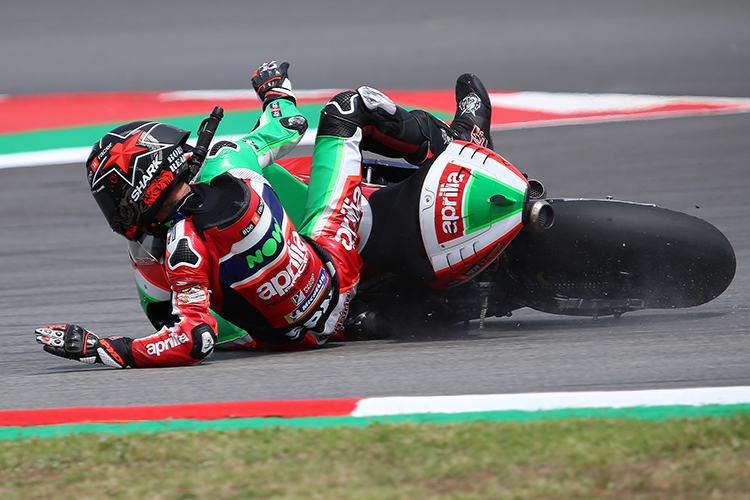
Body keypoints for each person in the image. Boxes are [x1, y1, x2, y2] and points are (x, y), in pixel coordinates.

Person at [35, 61, 495, 368]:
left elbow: (193, 338)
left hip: (306, 335)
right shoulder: (226, 159)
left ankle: (369, 318)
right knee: (349, 107)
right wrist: (274, 88)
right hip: (334, 259)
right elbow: (286, 125)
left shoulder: (179, 253)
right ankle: (465, 143)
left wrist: (103, 348)